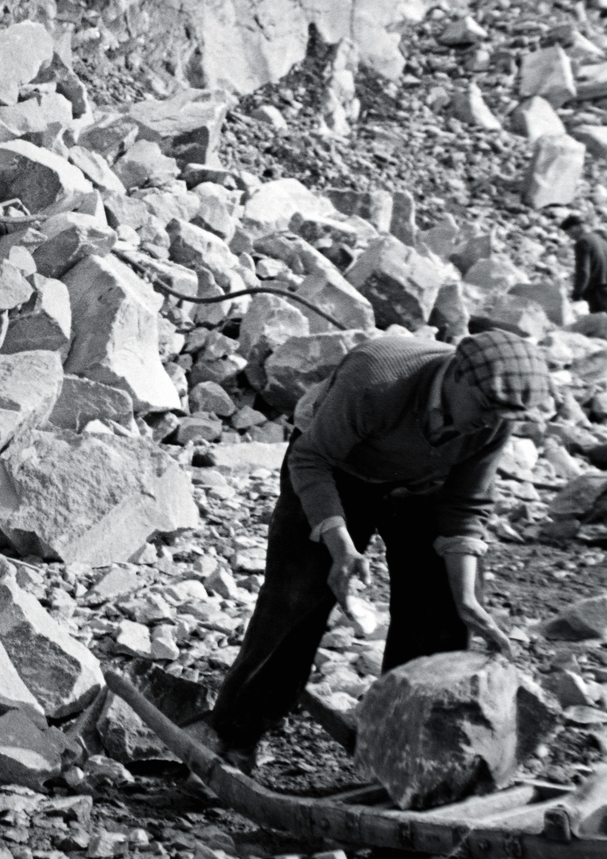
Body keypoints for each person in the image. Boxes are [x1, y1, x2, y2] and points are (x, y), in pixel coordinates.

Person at [189, 330, 550, 773]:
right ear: (455, 372)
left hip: (423, 486)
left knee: (442, 615)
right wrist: (341, 546)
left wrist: (468, 598)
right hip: (335, 468)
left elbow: (463, 507)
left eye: (502, 415)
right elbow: (311, 459)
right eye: (485, 408)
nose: (489, 421)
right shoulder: (377, 379)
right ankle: (232, 735)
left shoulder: (493, 417)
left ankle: (408, 750)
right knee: (296, 598)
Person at [562, 215, 607, 315]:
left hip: (598, 292)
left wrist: (577, 294)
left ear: (575, 228)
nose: (571, 237)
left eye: (569, 233)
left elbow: (584, 272)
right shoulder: (603, 241)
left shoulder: (583, 242)